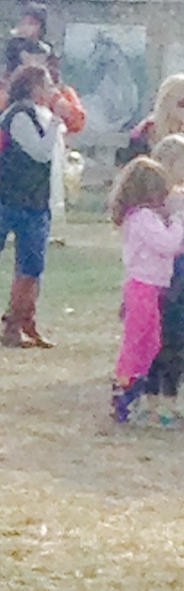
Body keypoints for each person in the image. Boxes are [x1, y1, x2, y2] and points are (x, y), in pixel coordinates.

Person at [0, 39, 85, 335]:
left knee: (31, 265)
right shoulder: (15, 110)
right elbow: (37, 150)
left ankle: (19, 320)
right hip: (3, 194)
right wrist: (55, 122)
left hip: (35, 198)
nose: (52, 89)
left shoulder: (47, 109)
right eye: (46, 84)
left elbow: (75, 123)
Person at [109, 156, 184, 424]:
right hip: (143, 288)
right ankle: (125, 388)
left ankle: (136, 387)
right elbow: (167, 245)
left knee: (151, 342)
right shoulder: (142, 218)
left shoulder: (145, 218)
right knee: (137, 341)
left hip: (152, 288)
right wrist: (178, 220)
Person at [140, 132, 184, 416]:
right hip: (168, 277)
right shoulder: (162, 204)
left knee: (174, 339)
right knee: (167, 338)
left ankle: (166, 398)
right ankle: (158, 398)